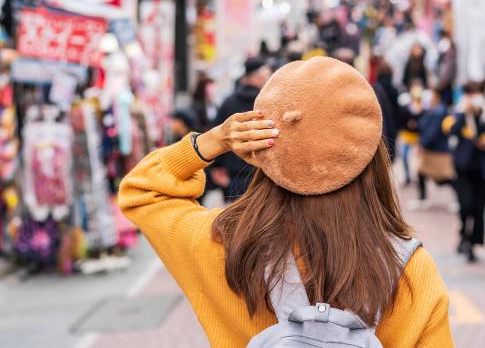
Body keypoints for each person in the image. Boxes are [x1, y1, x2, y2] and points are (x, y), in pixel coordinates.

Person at [119, 57, 453, 347]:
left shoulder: (224, 245)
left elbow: (141, 190)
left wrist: (212, 141)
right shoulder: (408, 270)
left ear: (262, 148)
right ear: (374, 158)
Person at [444, 81, 485, 263]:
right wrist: (465, 113)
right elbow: (451, 131)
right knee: (465, 204)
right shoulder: (458, 112)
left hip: (482, 168)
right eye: (470, 94)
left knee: (479, 208)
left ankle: (471, 242)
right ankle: (463, 232)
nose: (474, 98)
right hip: (464, 167)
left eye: (476, 93)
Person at [210, 56, 273, 200]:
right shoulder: (269, 103)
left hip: (234, 175)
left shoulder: (228, 102)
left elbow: (217, 133)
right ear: (260, 77)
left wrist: (216, 166)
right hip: (264, 173)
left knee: (235, 219)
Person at [372, 61, 402, 160]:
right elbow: (397, 109)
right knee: (390, 149)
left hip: (379, 122)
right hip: (392, 123)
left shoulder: (374, 87)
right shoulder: (394, 90)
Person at [435, 32, 457, 107]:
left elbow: (449, 73)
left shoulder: (450, 57)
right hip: (440, 84)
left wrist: (441, 84)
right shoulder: (440, 56)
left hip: (446, 86)